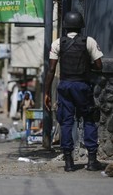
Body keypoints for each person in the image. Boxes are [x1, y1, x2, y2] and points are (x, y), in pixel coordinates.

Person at [44, 11, 104, 172]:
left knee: (66, 122)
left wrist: (47, 93)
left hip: (65, 86)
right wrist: (86, 66)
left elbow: (51, 70)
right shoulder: (89, 41)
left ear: (65, 26)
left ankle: (69, 162)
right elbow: (99, 66)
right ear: (81, 26)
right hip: (83, 86)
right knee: (89, 120)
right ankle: (92, 160)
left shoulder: (58, 43)